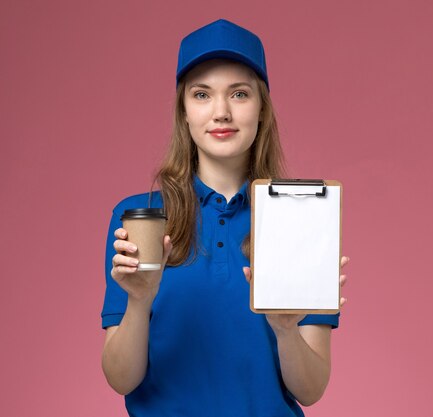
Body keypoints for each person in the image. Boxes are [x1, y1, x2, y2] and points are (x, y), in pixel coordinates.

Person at [100, 18, 349, 416]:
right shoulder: (141, 219)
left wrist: (286, 330)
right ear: (183, 111)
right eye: (202, 94)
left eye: (239, 94)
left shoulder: (302, 218)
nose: (221, 112)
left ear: (262, 109)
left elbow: (311, 389)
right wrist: (138, 301)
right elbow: (120, 379)